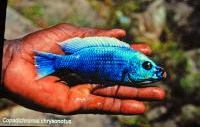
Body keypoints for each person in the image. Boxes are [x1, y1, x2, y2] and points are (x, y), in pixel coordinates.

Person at [1, 23, 165, 115]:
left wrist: (9, 57)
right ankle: (53, 63)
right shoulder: (130, 56)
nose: (152, 69)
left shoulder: (131, 56)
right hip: (79, 60)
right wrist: (9, 56)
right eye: (147, 65)